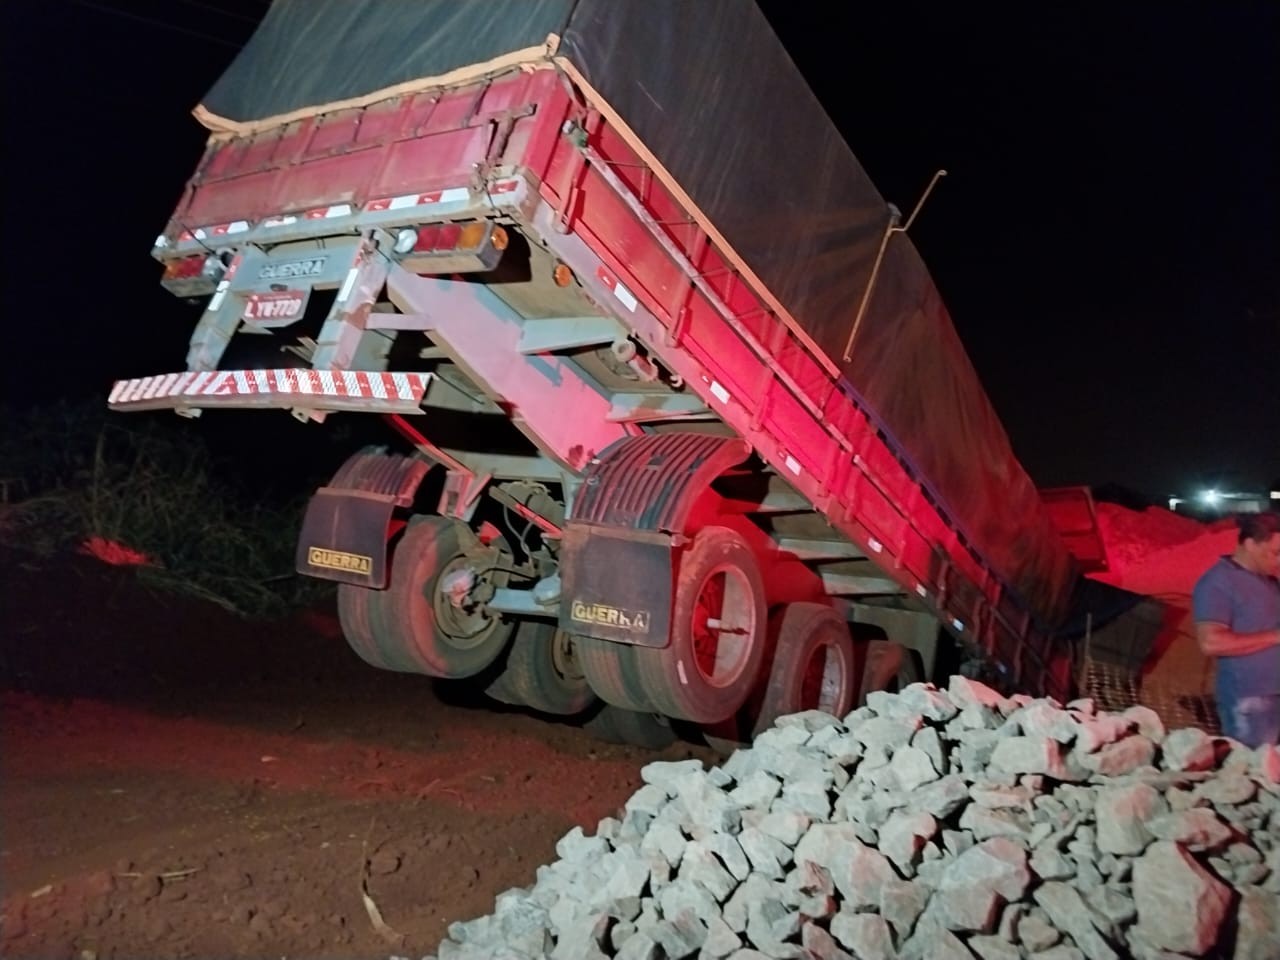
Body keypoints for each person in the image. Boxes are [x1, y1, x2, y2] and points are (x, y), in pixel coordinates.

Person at [1192, 511, 1280, 747]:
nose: (1279, 560)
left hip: (1274, 692)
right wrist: (1275, 637)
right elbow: (1211, 642)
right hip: (1250, 701)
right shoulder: (1217, 583)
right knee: (1256, 771)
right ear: (1250, 544)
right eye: (1276, 553)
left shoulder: (1269, 581)